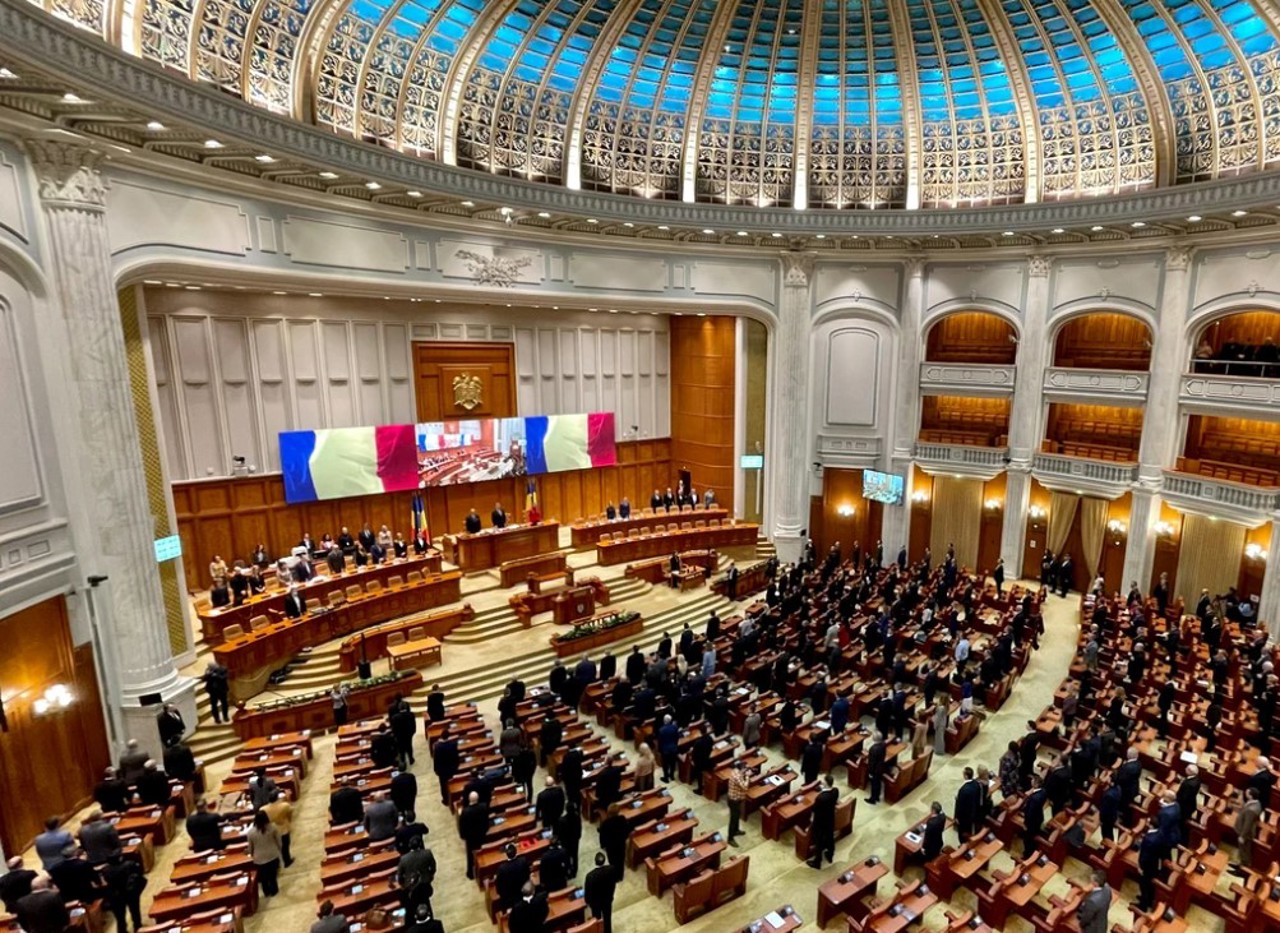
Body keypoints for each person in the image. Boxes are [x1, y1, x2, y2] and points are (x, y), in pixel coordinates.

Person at [247, 809, 283, 897]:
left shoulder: (251, 832)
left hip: (259, 858)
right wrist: (279, 849)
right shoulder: (273, 827)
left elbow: (250, 847)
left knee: (263, 877)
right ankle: (274, 890)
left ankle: (266, 892)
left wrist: (251, 854)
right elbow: (279, 841)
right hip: (272, 855)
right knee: (272, 875)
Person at [808, 774, 839, 868]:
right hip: (830, 819)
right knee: (830, 837)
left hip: (820, 822)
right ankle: (830, 854)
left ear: (825, 783)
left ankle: (817, 862)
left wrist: (812, 819)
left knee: (818, 841)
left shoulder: (820, 798)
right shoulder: (835, 791)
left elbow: (815, 809)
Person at [459, 791, 490, 880]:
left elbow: (462, 826)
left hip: (470, 837)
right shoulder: (483, 807)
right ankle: (483, 871)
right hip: (481, 834)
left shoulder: (465, 811)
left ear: (469, 799)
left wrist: (463, 836)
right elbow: (486, 820)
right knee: (482, 852)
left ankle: (470, 873)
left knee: (470, 855)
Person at [584, 851, 617, 933]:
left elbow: (588, 891)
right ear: (604, 860)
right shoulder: (611, 869)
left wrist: (587, 901)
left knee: (597, 919)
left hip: (595, 903)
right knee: (607, 917)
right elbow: (613, 883)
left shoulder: (590, 876)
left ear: (595, 862)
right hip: (607, 899)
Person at [1234, 786, 1263, 873]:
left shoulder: (1251, 810)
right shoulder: (1256, 803)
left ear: (1250, 796)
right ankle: (1240, 865)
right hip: (1245, 832)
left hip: (1246, 834)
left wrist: (1242, 836)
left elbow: (1247, 824)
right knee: (1242, 850)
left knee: (1244, 852)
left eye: (1247, 793)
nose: (1245, 794)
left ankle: (1242, 869)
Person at [495, 843, 531, 912]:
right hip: (523, 893)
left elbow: (499, 886)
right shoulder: (523, 861)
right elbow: (527, 875)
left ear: (506, 854)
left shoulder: (502, 868)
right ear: (516, 852)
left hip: (509, 898)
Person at [263, 790, 294, 868]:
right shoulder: (284, 806)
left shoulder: (263, 809)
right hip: (283, 828)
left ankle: (278, 862)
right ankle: (287, 861)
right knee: (285, 846)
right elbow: (290, 814)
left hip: (270, 830)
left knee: (275, 847)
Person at [1076, 869, 1112, 933]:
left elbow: (1086, 918)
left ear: (1095, 883)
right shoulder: (1107, 888)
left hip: (1091, 929)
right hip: (1102, 925)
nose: (1090, 881)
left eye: (1092, 880)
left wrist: (1080, 925)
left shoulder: (1092, 902)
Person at [599, 803, 630, 870]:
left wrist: (603, 845)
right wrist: (624, 837)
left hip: (611, 847)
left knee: (612, 861)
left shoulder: (606, 823)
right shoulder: (622, 819)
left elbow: (602, 836)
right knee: (621, 860)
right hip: (621, 844)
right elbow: (627, 830)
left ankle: (613, 873)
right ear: (618, 812)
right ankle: (620, 874)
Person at [954, 767, 982, 840]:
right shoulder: (976, 783)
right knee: (969, 828)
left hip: (965, 816)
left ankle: (963, 843)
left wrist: (957, 817)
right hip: (974, 811)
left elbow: (960, 806)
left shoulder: (963, 790)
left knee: (962, 832)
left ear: (966, 776)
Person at [727, 759, 750, 846]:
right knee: (733, 819)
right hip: (734, 800)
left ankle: (736, 831)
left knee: (737, 816)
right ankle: (730, 838)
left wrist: (744, 773)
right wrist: (747, 776)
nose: (746, 770)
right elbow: (744, 787)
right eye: (745, 768)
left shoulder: (737, 771)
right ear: (742, 769)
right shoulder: (737, 776)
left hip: (738, 798)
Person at [866, 732, 887, 805]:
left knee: (874, 784)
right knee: (878, 782)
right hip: (881, 767)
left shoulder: (873, 749)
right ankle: (877, 796)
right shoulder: (883, 744)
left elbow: (872, 762)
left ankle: (873, 799)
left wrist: (870, 772)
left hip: (875, 770)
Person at [657, 715, 680, 783]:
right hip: (673, 748)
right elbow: (677, 738)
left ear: (664, 721)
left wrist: (659, 750)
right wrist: (675, 745)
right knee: (672, 763)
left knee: (665, 764)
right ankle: (672, 776)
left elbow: (660, 741)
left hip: (665, 750)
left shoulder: (661, 730)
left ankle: (666, 778)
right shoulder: (675, 727)